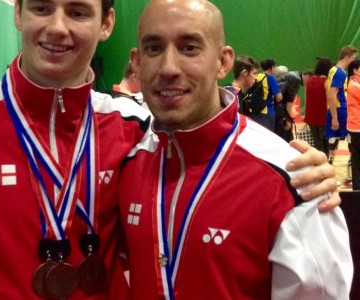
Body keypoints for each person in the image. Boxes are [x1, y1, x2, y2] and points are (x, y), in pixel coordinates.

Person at [0, 0, 341, 299]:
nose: (57, 27)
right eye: (40, 8)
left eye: (77, 11)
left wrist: (295, 168)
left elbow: (208, 142)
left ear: (106, 23)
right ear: (16, 12)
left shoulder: (136, 127)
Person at [121, 0, 352, 299]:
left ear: (223, 61)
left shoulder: (295, 180)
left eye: (189, 48)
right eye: (154, 48)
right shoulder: (126, 160)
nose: (168, 68)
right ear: (137, 63)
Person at [326, 45, 358, 160]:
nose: (354, 61)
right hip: (340, 110)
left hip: (335, 109)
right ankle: (352, 165)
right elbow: (332, 95)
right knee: (351, 137)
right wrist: (334, 117)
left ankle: (331, 164)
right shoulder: (341, 73)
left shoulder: (332, 69)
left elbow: (328, 92)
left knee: (333, 138)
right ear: (347, 57)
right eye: (353, 58)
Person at [305, 57, 334, 157]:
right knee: (325, 144)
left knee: (317, 143)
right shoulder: (327, 82)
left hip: (311, 116)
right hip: (323, 117)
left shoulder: (311, 80)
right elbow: (330, 99)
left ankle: (317, 162)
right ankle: (324, 163)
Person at [276, 68, 313, 142]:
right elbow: (289, 100)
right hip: (278, 109)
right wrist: (288, 119)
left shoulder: (294, 74)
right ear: (308, 76)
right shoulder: (296, 79)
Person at [251, 58, 282, 132]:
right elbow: (279, 97)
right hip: (267, 112)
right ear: (272, 67)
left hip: (255, 111)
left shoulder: (257, 76)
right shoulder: (271, 78)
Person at [347, 59, 360, 190]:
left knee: (356, 158)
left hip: (354, 125)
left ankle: (357, 187)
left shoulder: (354, 83)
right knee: (356, 159)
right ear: (355, 70)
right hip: (357, 126)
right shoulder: (354, 86)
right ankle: (357, 187)